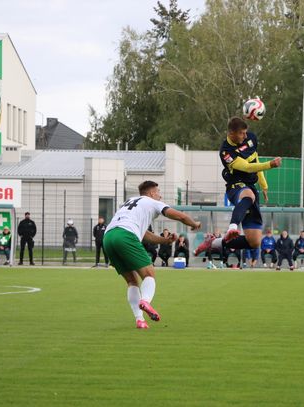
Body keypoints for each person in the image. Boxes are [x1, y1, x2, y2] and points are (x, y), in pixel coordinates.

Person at [102, 180, 201, 329]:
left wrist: (164, 240)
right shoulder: (152, 202)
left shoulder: (129, 202)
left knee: (132, 281)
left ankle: (140, 320)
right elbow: (179, 216)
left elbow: (145, 234)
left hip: (108, 237)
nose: (160, 196)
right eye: (158, 192)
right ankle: (145, 301)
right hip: (125, 236)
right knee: (149, 274)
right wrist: (194, 224)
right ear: (151, 193)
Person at [194, 117, 281, 257]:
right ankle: (232, 227)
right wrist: (270, 164)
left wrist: (264, 185)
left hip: (251, 186)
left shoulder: (251, 138)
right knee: (248, 195)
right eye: (242, 133)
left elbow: (255, 160)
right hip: (236, 186)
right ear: (231, 133)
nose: (245, 136)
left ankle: (214, 242)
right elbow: (247, 167)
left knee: (254, 241)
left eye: (246, 132)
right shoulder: (226, 152)